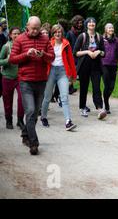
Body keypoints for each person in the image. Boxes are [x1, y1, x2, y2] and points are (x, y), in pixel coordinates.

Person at [9, 16, 55, 155]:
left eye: (37, 28)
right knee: (30, 110)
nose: (35, 30)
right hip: (26, 81)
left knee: (34, 114)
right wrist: (26, 54)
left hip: (41, 81)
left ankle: (24, 134)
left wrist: (43, 55)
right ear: (27, 26)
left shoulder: (45, 39)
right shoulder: (20, 39)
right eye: (32, 28)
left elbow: (51, 57)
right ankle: (33, 143)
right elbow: (12, 59)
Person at [40, 24, 77, 131]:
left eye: (59, 32)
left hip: (63, 72)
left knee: (64, 97)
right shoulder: (48, 43)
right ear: (53, 33)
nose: (57, 34)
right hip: (50, 71)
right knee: (47, 97)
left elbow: (70, 60)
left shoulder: (66, 44)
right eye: (55, 32)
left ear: (62, 33)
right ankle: (43, 117)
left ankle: (68, 121)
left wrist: (73, 76)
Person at [73, 17, 107, 120]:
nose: (92, 24)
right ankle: (82, 107)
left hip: (96, 66)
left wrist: (99, 52)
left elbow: (104, 53)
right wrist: (87, 52)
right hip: (84, 65)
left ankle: (100, 108)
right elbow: (75, 52)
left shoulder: (99, 37)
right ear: (86, 24)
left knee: (97, 87)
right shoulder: (82, 36)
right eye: (90, 22)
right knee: (84, 87)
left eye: (93, 22)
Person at [0, 27, 24, 130]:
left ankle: (20, 120)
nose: (17, 35)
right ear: (10, 35)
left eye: (18, 33)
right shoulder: (6, 47)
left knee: (22, 99)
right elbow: (0, 60)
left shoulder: (23, 47)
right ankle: (8, 120)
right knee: (7, 101)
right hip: (7, 77)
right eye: (14, 34)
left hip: (20, 77)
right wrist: (7, 60)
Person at [101, 23, 118, 114]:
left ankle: (106, 99)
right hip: (104, 65)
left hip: (113, 65)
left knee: (111, 86)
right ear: (106, 30)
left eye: (112, 27)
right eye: (109, 27)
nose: (111, 29)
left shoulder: (116, 40)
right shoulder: (101, 39)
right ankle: (106, 104)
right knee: (107, 85)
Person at [66, 15, 84, 95]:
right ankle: (69, 87)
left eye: (81, 23)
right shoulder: (70, 33)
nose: (80, 24)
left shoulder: (83, 33)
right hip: (72, 55)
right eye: (78, 23)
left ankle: (72, 87)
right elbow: (66, 43)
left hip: (81, 54)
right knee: (72, 72)